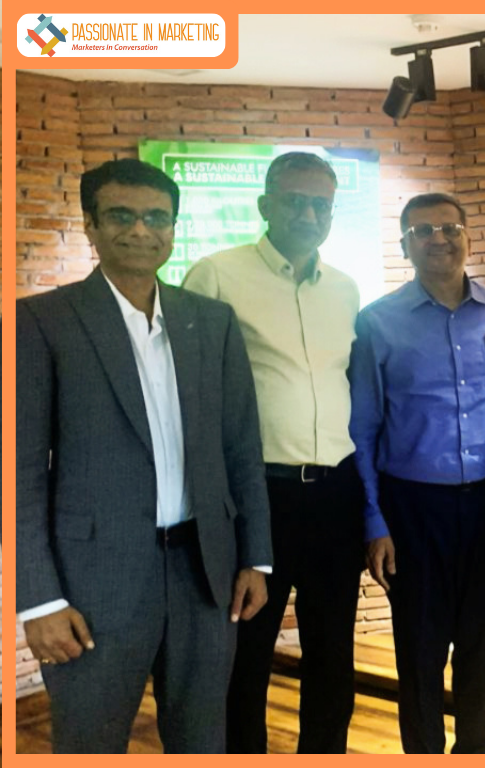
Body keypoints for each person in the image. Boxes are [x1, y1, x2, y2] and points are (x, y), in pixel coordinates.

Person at [17, 159, 271, 753]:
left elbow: (242, 447)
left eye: (157, 217)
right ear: (91, 224)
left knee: (202, 742)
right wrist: (39, 600)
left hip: (205, 575)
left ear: (174, 228)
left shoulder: (211, 322)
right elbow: (20, 473)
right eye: (121, 215)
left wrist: (256, 557)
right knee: (89, 744)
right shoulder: (43, 322)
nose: (140, 230)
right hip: (92, 585)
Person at [183, 152, 364, 753]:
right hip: (257, 496)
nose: (309, 215)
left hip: (335, 495)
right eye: (295, 201)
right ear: (265, 205)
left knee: (333, 654)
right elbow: (192, 398)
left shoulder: (345, 288)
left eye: (321, 205)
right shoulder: (216, 275)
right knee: (247, 655)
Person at [348, 192, 485, 753]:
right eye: (422, 231)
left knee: (480, 643)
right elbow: (363, 429)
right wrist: (374, 521)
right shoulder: (377, 322)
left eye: (449, 227)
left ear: (468, 235)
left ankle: (475, 751)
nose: (438, 239)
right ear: (405, 245)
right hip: (411, 508)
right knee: (419, 649)